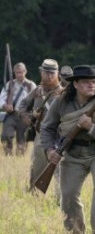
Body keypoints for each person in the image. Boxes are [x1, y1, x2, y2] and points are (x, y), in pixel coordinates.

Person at [40, 65, 95, 234]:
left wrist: (91, 127)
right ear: (75, 84)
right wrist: (49, 149)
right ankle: (75, 233)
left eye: (94, 81)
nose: (91, 85)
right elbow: (47, 128)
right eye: (85, 82)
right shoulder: (61, 102)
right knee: (68, 194)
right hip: (73, 152)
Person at [19, 59, 63, 195]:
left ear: (58, 74)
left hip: (60, 136)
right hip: (41, 135)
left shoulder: (64, 93)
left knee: (60, 170)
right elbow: (22, 106)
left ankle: (60, 199)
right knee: (37, 167)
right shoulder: (37, 91)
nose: (49, 76)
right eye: (46, 73)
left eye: (52, 73)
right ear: (41, 73)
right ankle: (34, 195)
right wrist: (31, 118)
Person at [1, 62, 37, 156]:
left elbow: (37, 101)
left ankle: (19, 159)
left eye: (21, 72)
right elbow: (1, 98)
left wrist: (32, 117)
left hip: (25, 116)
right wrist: (5, 106)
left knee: (22, 140)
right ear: (14, 73)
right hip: (11, 115)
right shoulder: (9, 84)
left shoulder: (31, 85)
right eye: (17, 72)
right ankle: (8, 157)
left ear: (25, 71)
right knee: (5, 136)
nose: (19, 75)